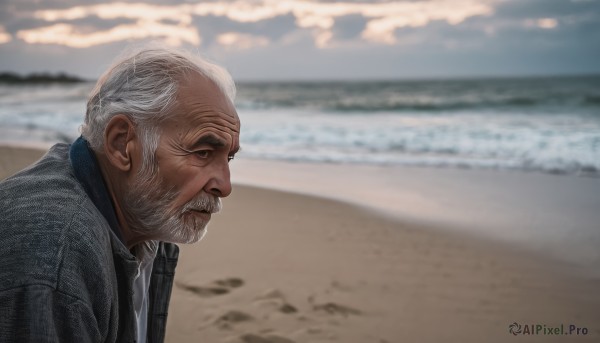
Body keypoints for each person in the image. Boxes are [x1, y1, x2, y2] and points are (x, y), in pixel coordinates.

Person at [0, 45, 241, 342]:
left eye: (228, 158)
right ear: (121, 144)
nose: (225, 186)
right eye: (203, 152)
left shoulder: (145, 223)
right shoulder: (53, 262)